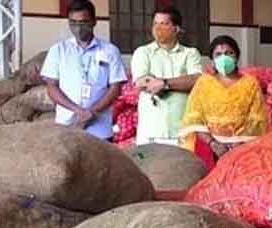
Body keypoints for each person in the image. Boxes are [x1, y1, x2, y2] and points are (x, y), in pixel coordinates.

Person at [41, 0, 127, 140]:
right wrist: (78, 111)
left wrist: (92, 112)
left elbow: (115, 88)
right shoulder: (58, 50)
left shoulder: (110, 51)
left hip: (100, 129)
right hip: (67, 125)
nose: (78, 28)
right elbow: (51, 87)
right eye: (73, 23)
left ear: (94, 22)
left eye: (83, 22)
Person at [180, 35, 269, 169]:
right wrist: (213, 143)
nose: (224, 58)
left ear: (237, 57)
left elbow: (257, 120)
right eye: (218, 54)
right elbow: (194, 119)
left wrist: (238, 143)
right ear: (212, 60)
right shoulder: (204, 83)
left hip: (242, 147)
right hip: (208, 146)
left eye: (229, 53)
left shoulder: (250, 83)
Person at [131, 6, 202, 145]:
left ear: (176, 29)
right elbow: (141, 81)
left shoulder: (190, 53)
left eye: (164, 23)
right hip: (151, 130)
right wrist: (180, 82)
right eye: (155, 23)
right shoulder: (143, 52)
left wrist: (164, 83)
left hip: (182, 130)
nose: (158, 28)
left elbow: (197, 80)